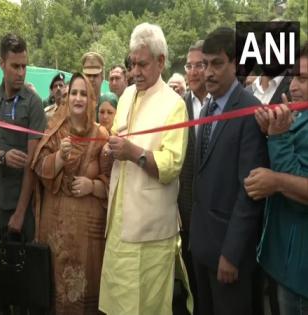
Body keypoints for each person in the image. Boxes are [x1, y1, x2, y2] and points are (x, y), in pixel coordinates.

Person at [99, 22, 190, 315]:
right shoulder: (126, 96)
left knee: (147, 306)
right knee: (117, 305)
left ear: (161, 61)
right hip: (118, 223)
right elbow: (117, 134)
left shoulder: (174, 104)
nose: (135, 71)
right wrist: (109, 149)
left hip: (150, 231)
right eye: (132, 63)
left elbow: (171, 164)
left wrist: (132, 152)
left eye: (142, 64)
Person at [189, 27, 268, 315]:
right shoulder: (206, 108)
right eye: (204, 64)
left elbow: (250, 193)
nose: (207, 72)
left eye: (217, 64)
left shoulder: (250, 111)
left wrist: (231, 255)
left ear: (236, 64)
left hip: (228, 256)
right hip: (201, 248)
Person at [0, 33, 46, 315]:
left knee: (26, 285)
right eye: (15, 66)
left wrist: (20, 212)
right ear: (1, 64)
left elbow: (32, 163)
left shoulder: (33, 103)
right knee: (0, 282)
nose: (21, 72)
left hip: (26, 207)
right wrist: (2, 156)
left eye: (24, 66)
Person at [32, 72, 109, 315]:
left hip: (88, 230)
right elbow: (39, 170)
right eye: (74, 92)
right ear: (67, 97)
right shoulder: (55, 131)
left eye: (83, 93)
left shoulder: (101, 135)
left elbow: (113, 182)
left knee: (87, 292)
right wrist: (59, 159)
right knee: (58, 293)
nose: (78, 98)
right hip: (56, 226)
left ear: (91, 98)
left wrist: (92, 186)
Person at [244, 41, 308, 315]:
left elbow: (297, 195)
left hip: (300, 273)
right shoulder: (298, 114)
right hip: (283, 259)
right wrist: (270, 132)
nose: (292, 87)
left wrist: (277, 180)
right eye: (293, 76)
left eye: (303, 79)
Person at [178, 39, 209, 315]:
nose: (195, 71)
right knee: (192, 295)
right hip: (185, 217)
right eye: (191, 65)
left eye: (200, 65)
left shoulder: (221, 106)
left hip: (215, 221)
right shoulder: (179, 106)